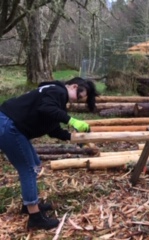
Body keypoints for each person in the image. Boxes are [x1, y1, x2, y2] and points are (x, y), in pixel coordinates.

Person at [0, 77, 99, 230]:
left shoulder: (53, 94)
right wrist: (72, 121)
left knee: (35, 163)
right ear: (74, 86)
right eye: (79, 97)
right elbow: (46, 109)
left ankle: (29, 205)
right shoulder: (57, 91)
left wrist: (72, 137)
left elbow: (52, 127)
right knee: (28, 169)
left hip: (11, 125)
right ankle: (35, 218)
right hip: (8, 125)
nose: (77, 101)